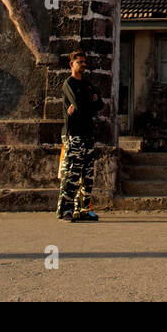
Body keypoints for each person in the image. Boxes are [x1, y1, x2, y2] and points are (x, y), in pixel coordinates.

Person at [56, 49, 102, 222]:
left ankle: (82, 209)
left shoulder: (88, 84)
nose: (83, 64)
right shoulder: (69, 84)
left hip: (87, 133)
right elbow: (81, 103)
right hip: (73, 134)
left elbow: (99, 104)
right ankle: (65, 210)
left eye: (84, 61)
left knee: (87, 174)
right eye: (79, 62)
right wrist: (89, 102)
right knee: (72, 173)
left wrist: (87, 103)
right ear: (71, 64)